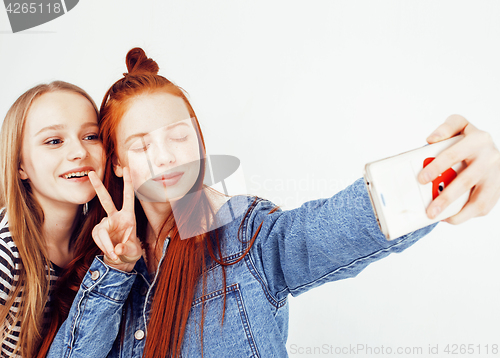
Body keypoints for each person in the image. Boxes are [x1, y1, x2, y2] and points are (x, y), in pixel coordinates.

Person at [47, 48, 500, 358]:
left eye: (179, 136)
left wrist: (444, 174)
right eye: (142, 145)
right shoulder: (99, 265)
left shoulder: (243, 233)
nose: (166, 156)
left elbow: (331, 229)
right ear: (120, 163)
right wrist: (116, 270)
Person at [0, 81, 105, 357]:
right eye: (54, 141)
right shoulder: (7, 254)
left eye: (91, 136)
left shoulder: (97, 244)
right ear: (20, 165)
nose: (79, 152)